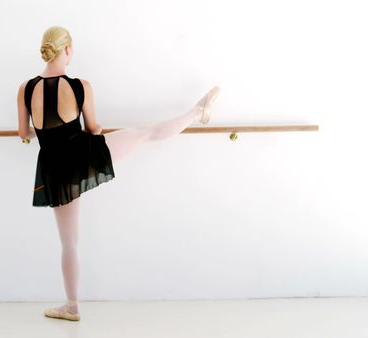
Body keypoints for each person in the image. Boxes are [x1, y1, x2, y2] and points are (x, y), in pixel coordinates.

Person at [16, 26, 220, 321]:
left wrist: (45, 131)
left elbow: (24, 133)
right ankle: (198, 113)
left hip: (54, 168)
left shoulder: (25, 89)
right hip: (83, 154)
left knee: (69, 242)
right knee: (144, 133)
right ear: (67, 50)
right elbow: (94, 127)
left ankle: (71, 306)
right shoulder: (80, 85)